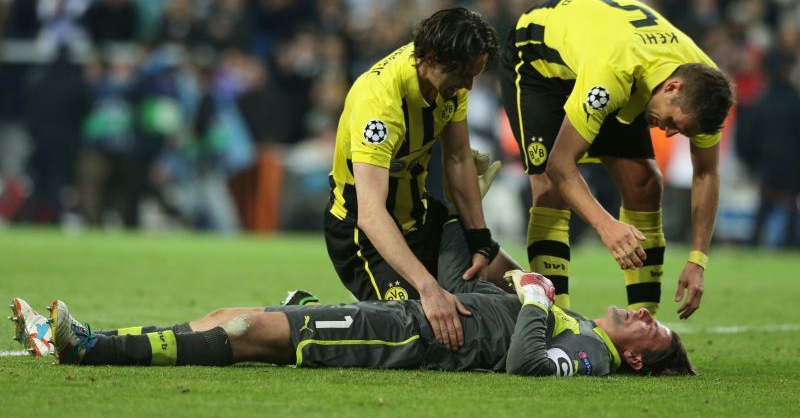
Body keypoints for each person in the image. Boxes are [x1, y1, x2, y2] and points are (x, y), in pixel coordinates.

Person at [11, 221, 693, 376]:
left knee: (248, 328)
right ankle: (73, 338)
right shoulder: (580, 324)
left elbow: (526, 366)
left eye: (652, 332)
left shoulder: (590, 354)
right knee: (232, 318)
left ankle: (90, 349)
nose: (643, 314)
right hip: (403, 316)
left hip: (404, 337)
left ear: (636, 360)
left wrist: (537, 296)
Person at [498, 0, 735, 319]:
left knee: (645, 184)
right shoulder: (613, 73)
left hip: (608, 54)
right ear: (672, 87)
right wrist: (606, 225)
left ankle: (644, 321)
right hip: (539, 57)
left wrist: (698, 259)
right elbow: (560, 165)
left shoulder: (707, 89)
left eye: (679, 131)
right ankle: (554, 321)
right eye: (670, 122)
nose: (667, 132)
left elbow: (706, 174)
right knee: (550, 190)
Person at [325, 6, 520, 351]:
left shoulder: (450, 84)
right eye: (464, 75)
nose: (469, 87)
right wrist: (429, 288)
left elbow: (459, 158)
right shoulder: (380, 103)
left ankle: (562, 323)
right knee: (419, 329)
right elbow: (370, 213)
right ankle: (306, 309)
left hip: (421, 218)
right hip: (365, 237)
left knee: (520, 287)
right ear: (430, 57)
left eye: (475, 76)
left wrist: (479, 239)